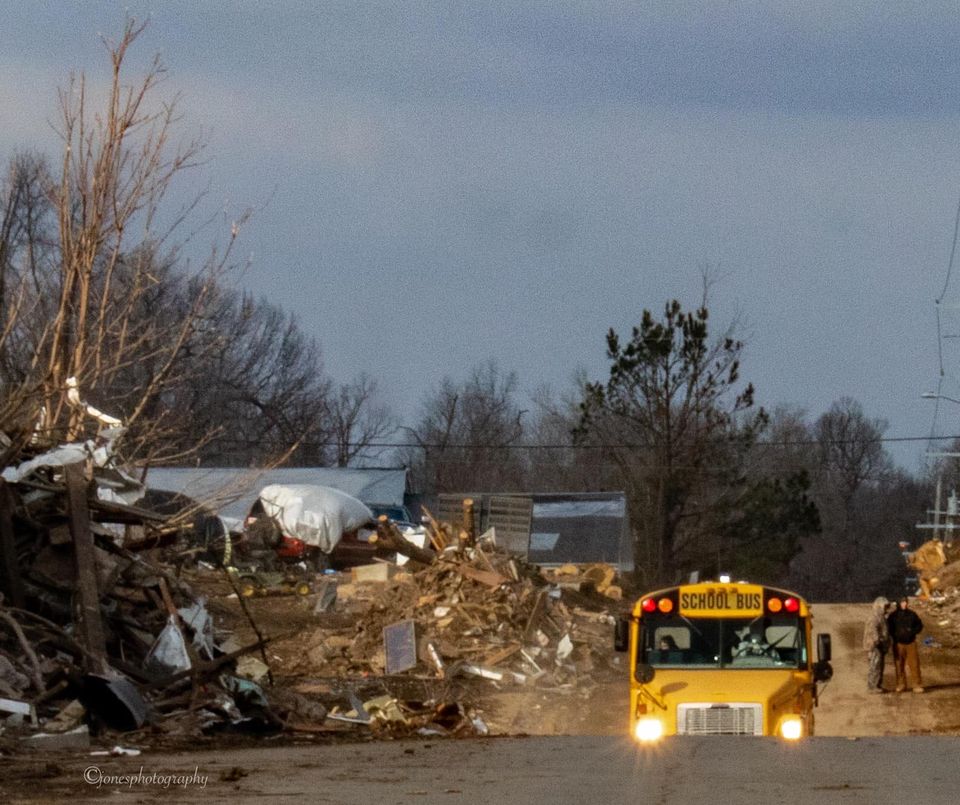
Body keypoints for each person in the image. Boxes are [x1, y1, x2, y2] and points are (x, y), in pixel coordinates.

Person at [887, 596, 924, 693]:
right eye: (902, 602)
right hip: (898, 644)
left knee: (914, 664)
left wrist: (912, 632)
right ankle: (901, 684)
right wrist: (896, 635)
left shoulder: (912, 614)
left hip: (911, 643)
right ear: (898, 603)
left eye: (906, 602)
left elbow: (919, 625)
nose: (905, 604)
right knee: (899, 665)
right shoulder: (893, 616)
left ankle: (917, 685)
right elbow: (889, 628)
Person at [862, 597, 891, 693]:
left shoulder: (882, 617)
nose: (887, 609)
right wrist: (878, 639)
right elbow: (873, 630)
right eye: (885, 606)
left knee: (879, 666)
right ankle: (872, 687)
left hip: (880, 646)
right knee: (875, 666)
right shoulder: (874, 617)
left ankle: (877, 685)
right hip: (874, 646)